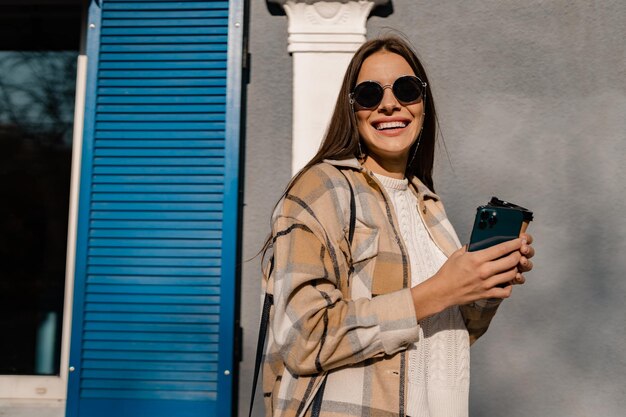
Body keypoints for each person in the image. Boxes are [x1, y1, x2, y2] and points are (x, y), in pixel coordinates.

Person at [261, 35, 535, 417]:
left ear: (424, 104)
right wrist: (439, 290)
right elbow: (303, 337)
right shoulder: (322, 189)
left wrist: (485, 284)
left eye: (406, 90)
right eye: (370, 94)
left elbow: (450, 333)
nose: (390, 104)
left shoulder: (428, 205)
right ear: (352, 109)